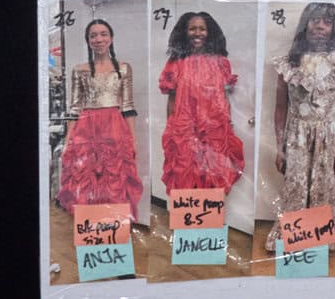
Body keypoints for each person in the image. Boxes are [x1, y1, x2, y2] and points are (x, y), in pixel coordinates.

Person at [274, 3, 335, 246]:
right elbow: (280, 108)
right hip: (296, 137)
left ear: (333, 29)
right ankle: (295, 238)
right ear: (305, 24)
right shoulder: (289, 64)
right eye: (315, 20)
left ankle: (318, 240)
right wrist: (279, 148)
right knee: (295, 187)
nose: (320, 26)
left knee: (323, 187)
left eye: (327, 22)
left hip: (327, 138)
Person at [57, 18, 142, 212]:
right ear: (88, 41)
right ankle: (91, 221)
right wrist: (68, 140)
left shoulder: (123, 68)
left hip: (114, 128)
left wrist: (133, 140)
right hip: (86, 129)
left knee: (114, 174)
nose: (98, 39)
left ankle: (112, 222)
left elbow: (128, 106)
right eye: (93, 35)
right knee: (85, 174)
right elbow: (74, 108)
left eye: (103, 34)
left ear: (111, 38)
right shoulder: (79, 70)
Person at [158, 11, 244, 197]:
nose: (197, 33)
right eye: (192, 29)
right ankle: (187, 216)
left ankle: (209, 215)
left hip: (214, 128)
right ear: (185, 32)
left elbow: (225, 97)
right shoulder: (176, 63)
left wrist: (227, 125)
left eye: (202, 29)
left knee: (213, 174)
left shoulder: (221, 63)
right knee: (184, 174)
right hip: (184, 128)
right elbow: (172, 99)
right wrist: (170, 127)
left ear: (209, 32)